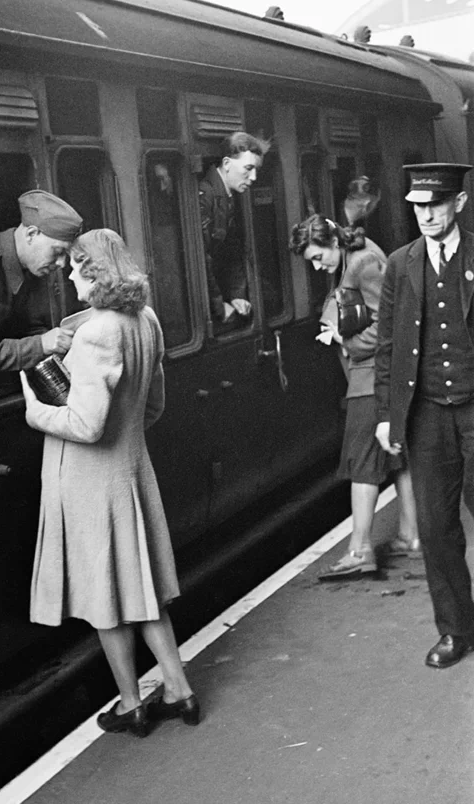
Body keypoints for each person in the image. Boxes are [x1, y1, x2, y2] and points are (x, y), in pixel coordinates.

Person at [19, 228, 198, 736]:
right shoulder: (146, 319)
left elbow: (84, 425)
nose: (68, 276)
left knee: (106, 599)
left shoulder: (98, 331)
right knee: (142, 589)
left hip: (90, 481)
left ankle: (130, 704)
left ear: (92, 270)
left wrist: (36, 410)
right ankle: (179, 689)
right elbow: (155, 406)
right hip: (132, 470)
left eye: (74, 268)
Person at [375, 162, 474, 669]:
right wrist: (387, 414)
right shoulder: (400, 263)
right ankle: (456, 631)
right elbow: (389, 345)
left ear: (457, 203)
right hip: (428, 412)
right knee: (436, 529)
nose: (427, 215)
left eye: (436, 204)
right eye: (418, 206)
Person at [289, 215, 419, 579]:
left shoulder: (363, 263)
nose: (317, 266)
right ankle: (410, 535)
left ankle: (360, 549)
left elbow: (388, 325)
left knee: (362, 461)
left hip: (371, 379)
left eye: (318, 257)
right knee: (399, 456)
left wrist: (344, 340)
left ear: (332, 241)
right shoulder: (354, 255)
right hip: (375, 375)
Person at [0, 189, 83, 374]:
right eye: (58, 251)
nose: (61, 264)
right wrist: (41, 345)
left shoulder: (31, 264)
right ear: (31, 234)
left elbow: (26, 326)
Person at [199, 132, 269, 327]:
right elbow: (200, 259)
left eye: (256, 170)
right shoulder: (206, 197)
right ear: (227, 164)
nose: (253, 177)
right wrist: (218, 305)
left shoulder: (228, 198)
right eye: (248, 168)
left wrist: (236, 296)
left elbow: (233, 251)